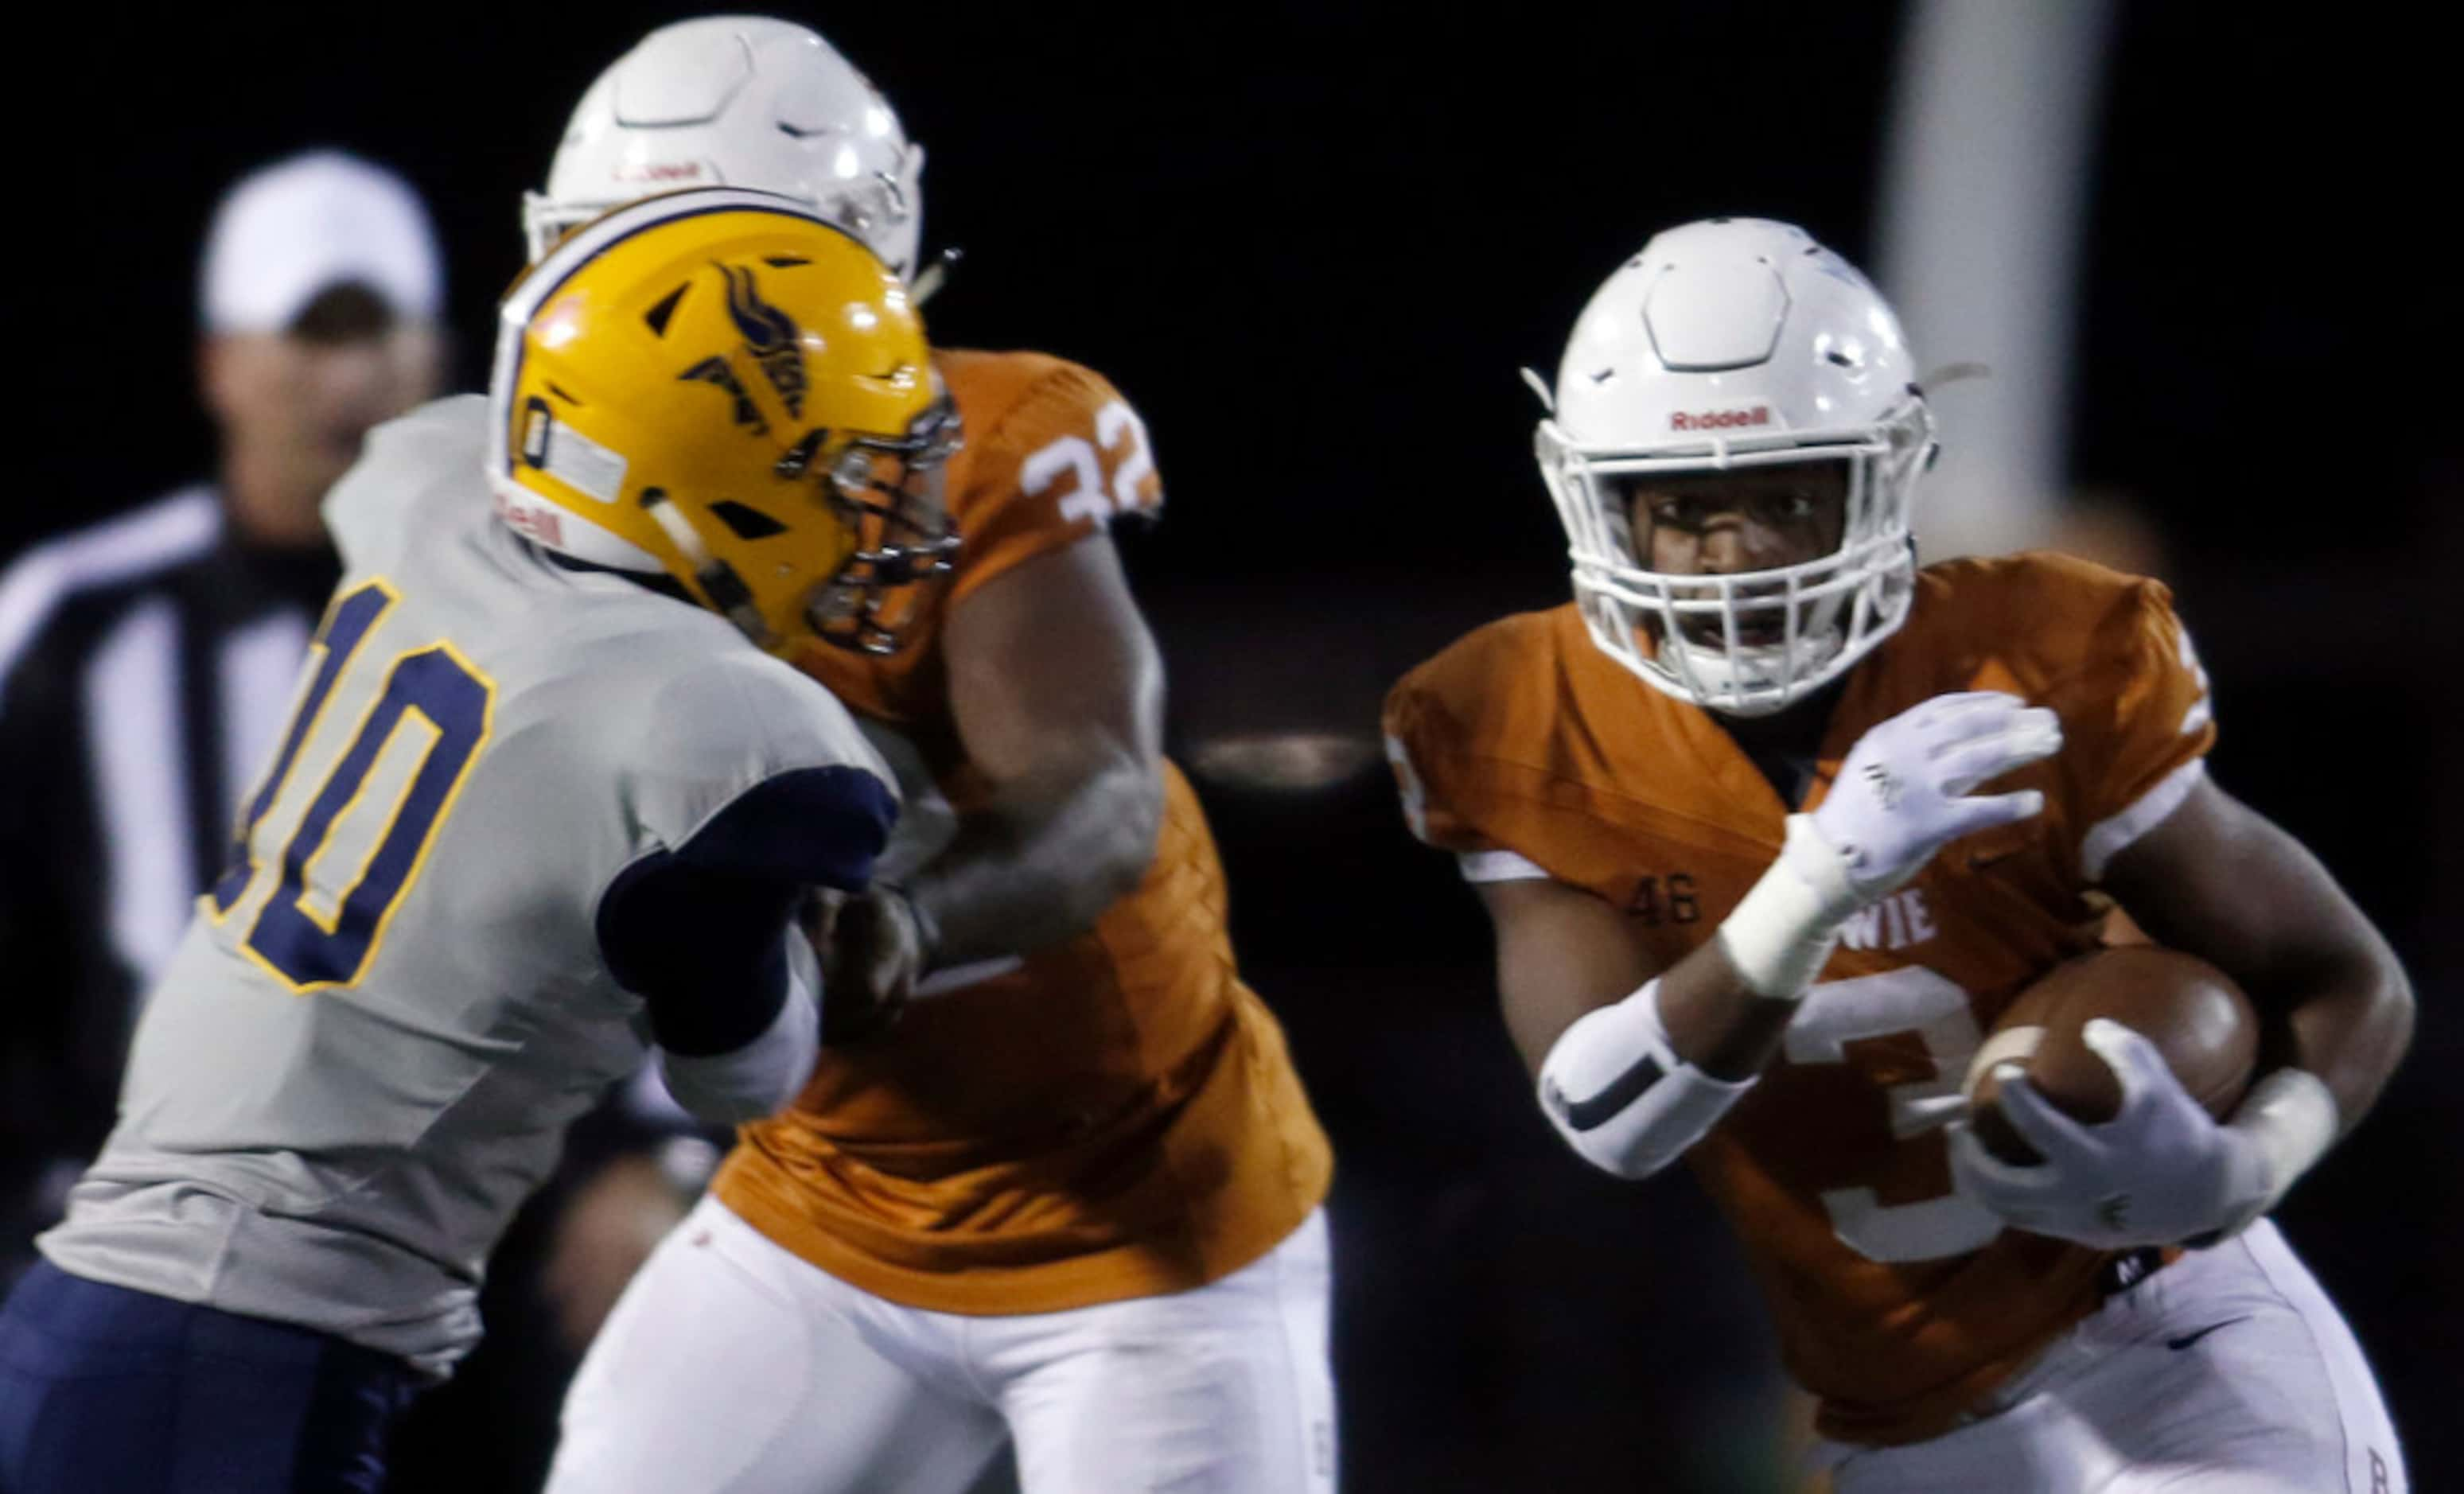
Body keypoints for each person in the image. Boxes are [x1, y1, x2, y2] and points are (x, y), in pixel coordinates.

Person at [1381, 217, 2412, 1492]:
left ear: (1883, 473)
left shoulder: (2037, 657)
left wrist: (2247, 1163)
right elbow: (1611, 1116)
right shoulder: (1516, 716)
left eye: (1785, 497)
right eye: (1686, 507)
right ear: (1592, 491)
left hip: (2171, 1342)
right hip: (1903, 1428)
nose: (1737, 554)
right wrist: (1820, 881)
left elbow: (2345, 976)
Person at [0, 191, 936, 1490]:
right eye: (823, 462)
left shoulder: (423, 489)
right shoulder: (716, 720)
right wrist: (824, 943)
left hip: (134, 1316)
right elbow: (747, 1073)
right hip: (243, 1353)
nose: (866, 508)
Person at [533, 19, 1337, 1493]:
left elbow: (1093, 793)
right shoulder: (554, 504)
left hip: (1140, 1224)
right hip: (820, 1207)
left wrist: (912, 917)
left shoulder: (979, 444)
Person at [0, 150, 446, 1285]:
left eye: (381, 330)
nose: (352, 374)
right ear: (222, 366)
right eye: (311, 333)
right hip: (131, 1233)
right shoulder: (75, 617)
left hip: (461, 1227)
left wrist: (646, 1158)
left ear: (437, 355)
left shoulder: (529, 617)